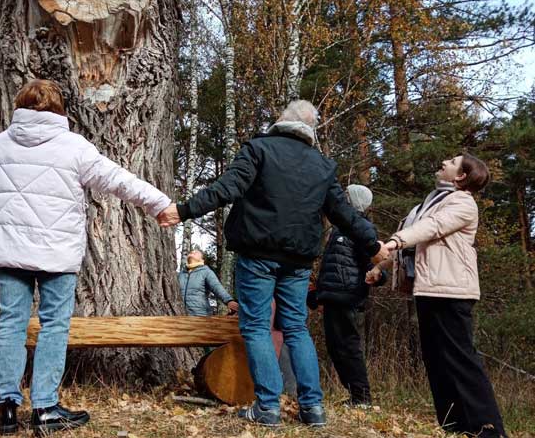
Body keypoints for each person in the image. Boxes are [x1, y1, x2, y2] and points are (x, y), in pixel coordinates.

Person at [0, 79, 172, 436]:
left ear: (19, 106)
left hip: (10, 252)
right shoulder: (74, 147)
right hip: (57, 253)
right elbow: (119, 180)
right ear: (58, 109)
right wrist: (160, 203)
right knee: (54, 327)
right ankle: (46, 408)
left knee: (11, 327)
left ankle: (6, 408)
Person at [158, 100, 387, 427]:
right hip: (298, 261)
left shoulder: (258, 149)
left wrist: (183, 210)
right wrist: (372, 243)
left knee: (255, 327)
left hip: (258, 255)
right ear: (311, 128)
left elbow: (227, 189)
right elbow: (345, 214)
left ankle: (267, 407)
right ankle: (313, 408)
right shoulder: (322, 166)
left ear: (283, 120)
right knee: (296, 328)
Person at [380, 154, 507, 438]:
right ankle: (456, 427)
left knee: (461, 360)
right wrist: (380, 266)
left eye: (452, 161)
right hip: (429, 289)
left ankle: (488, 430)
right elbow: (414, 236)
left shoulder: (462, 202)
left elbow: (430, 228)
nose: (444, 161)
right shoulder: (433, 201)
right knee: (436, 361)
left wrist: (393, 242)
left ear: (461, 176)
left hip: (452, 291)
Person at [308, 184, 386, 408]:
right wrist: (319, 294)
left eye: (346, 195)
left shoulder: (361, 227)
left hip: (348, 296)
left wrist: (379, 276)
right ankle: (355, 395)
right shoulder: (340, 228)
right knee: (336, 347)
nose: (341, 197)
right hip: (335, 296)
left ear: (353, 202)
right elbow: (334, 266)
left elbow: (373, 262)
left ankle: (362, 397)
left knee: (348, 347)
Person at [178, 250, 238, 316]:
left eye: (196, 252)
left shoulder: (206, 272)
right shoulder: (180, 274)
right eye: (191, 252)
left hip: (200, 315)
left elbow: (216, 287)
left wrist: (229, 301)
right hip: (179, 314)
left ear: (202, 260)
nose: (193, 252)